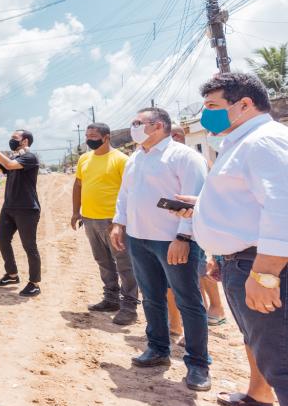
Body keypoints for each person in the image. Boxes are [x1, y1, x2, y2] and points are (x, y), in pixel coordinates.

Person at [169, 73, 288, 406]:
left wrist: (265, 273)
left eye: (214, 106)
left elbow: (283, 207)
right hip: (243, 262)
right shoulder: (240, 143)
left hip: (262, 266)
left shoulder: (263, 141)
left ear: (244, 105)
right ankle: (266, 402)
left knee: (280, 353)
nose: (206, 115)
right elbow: (245, 204)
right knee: (261, 344)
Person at [109, 107, 210, 391]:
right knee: (152, 298)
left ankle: (198, 364)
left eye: (137, 123)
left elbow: (195, 201)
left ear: (158, 126)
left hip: (172, 241)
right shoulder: (136, 157)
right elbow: (126, 194)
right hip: (139, 239)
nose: (133, 127)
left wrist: (184, 238)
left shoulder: (184, 156)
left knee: (187, 301)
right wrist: (120, 223)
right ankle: (157, 349)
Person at [71, 123, 138, 325]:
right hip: (90, 219)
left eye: (93, 136)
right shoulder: (84, 159)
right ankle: (111, 299)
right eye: (87, 135)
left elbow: (131, 192)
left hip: (114, 221)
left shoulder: (121, 160)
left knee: (125, 264)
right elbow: (78, 184)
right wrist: (76, 212)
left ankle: (130, 306)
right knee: (103, 261)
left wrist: (122, 220)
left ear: (106, 137)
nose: (89, 139)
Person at [166, 123, 226, 338]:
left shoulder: (193, 159)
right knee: (199, 273)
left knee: (202, 272)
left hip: (197, 225)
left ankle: (215, 310)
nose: (172, 138)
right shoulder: (168, 159)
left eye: (176, 134)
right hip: (184, 223)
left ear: (183, 137)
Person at [0, 130, 42, 297]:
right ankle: (11, 275)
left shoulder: (29, 157)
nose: (11, 140)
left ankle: (34, 283)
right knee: (2, 240)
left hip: (27, 209)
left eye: (14, 138)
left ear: (25, 141)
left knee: (29, 246)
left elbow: (9, 165)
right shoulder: (15, 158)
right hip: (9, 207)